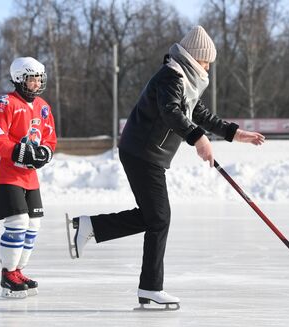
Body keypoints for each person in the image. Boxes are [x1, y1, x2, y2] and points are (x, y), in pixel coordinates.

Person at [67, 25, 264, 308]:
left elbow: (199, 113)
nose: (207, 67)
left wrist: (234, 133)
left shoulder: (184, 80)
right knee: (159, 218)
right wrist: (198, 139)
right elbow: (170, 111)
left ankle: (92, 228)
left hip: (147, 155)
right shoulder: (171, 77)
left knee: (154, 217)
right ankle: (149, 286)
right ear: (194, 57)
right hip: (141, 153)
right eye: (205, 61)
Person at [0, 57, 57, 299]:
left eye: (39, 78)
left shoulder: (43, 106)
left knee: (34, 225)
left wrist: (45, 151)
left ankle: (18, 271)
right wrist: (18, 150)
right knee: (18, 222)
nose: (36, 83)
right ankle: (8, 273)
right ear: (18, 79)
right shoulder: (3, 103)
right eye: (31, 78)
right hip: (4, 173)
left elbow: (49, 137)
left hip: (28, 176)